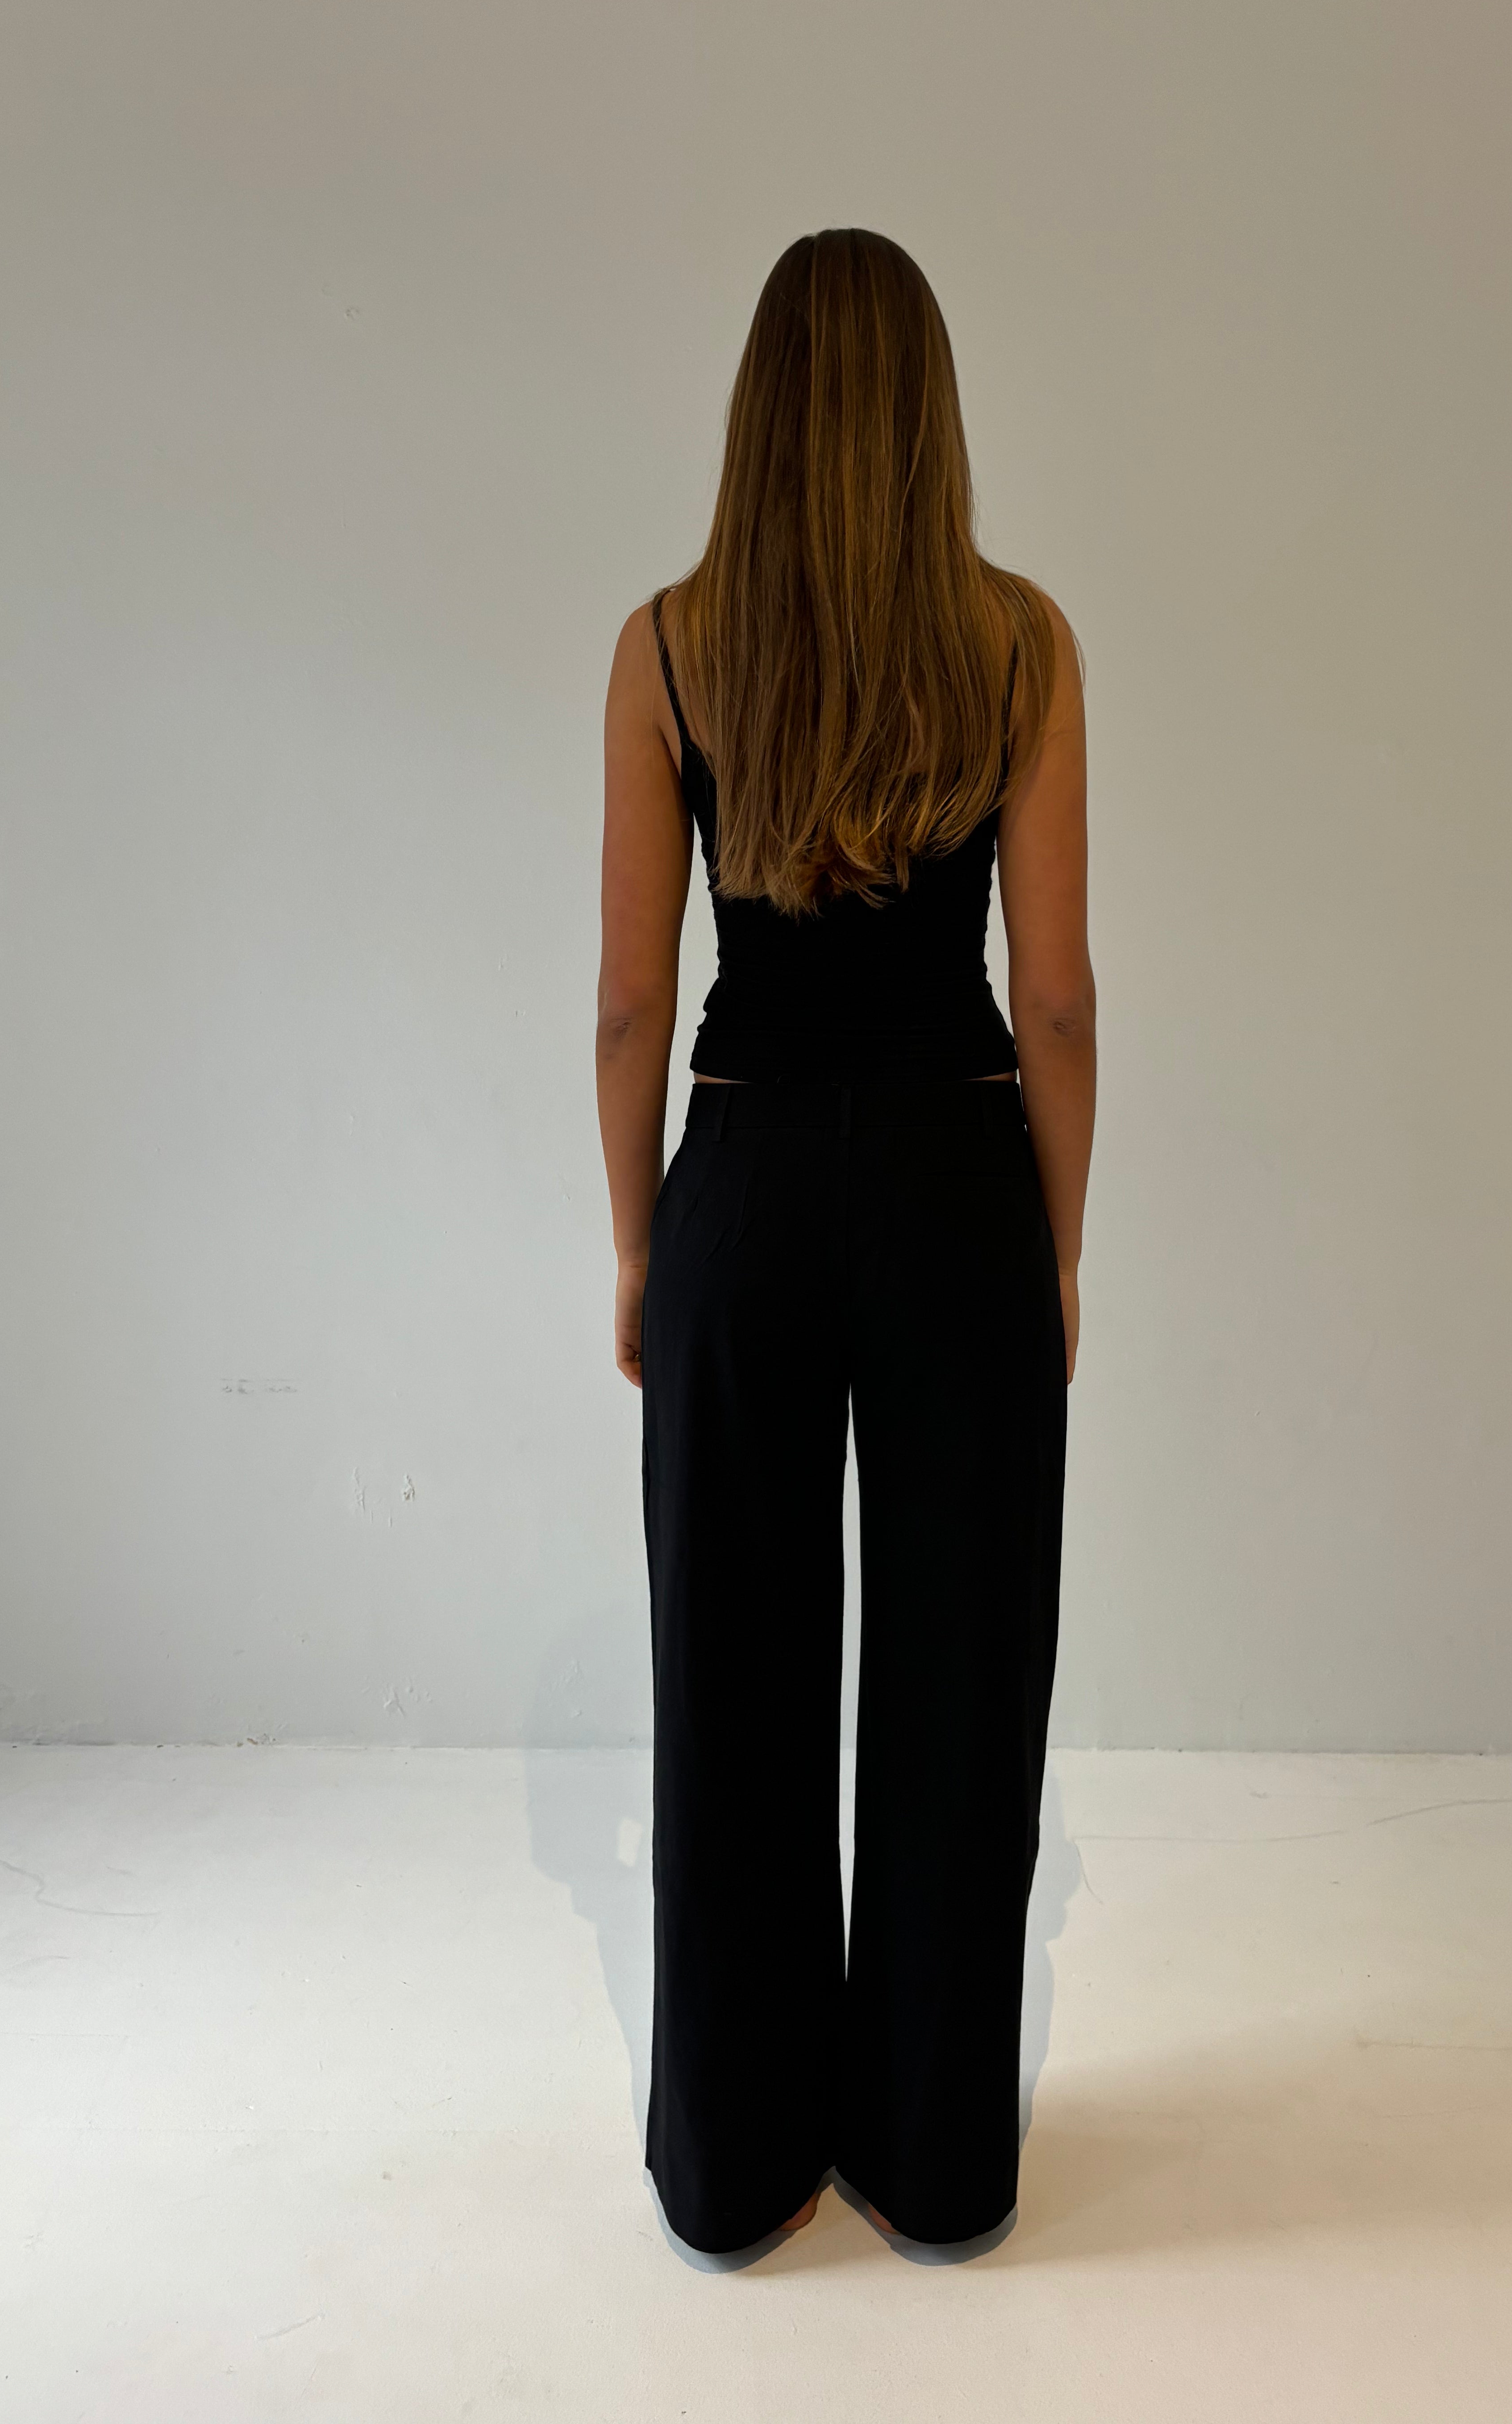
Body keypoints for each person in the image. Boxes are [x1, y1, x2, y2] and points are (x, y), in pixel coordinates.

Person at [595, 228, 1095, 2258]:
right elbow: (1053, 999)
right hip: (961, 1184)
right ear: (930, 415)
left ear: (760, 410)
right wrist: (1057, 1250)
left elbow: (629, 1007)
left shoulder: (669, 648)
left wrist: (641, 1249)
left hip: (740, 1177)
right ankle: (935, 2166)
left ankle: (736, 2174)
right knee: (967, 1680)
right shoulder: (1019, 645)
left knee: (729, 1683)